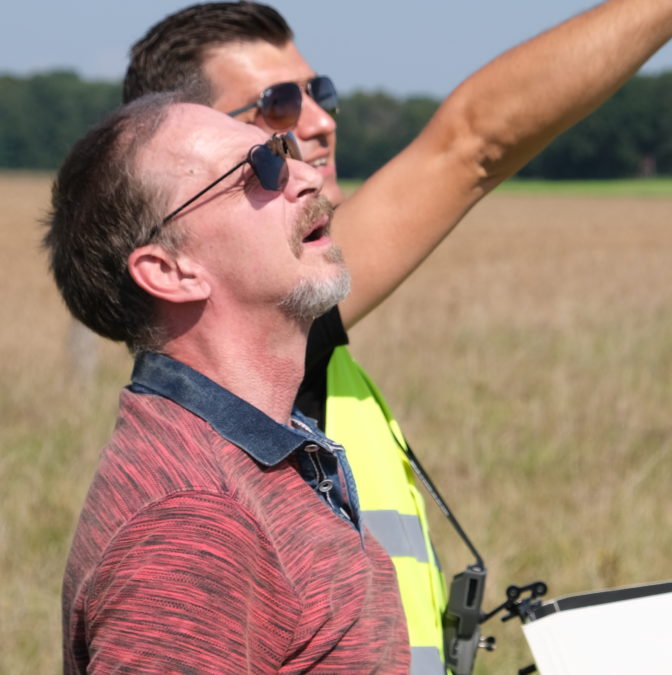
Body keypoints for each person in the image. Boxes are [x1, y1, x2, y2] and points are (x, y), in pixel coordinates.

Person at [123, 1, 672, 670]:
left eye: (320, 93)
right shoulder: (193, 483)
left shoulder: (278, 320)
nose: (320, 122)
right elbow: (473, 143)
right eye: (278, 105)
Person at [45, 95, 408, 672]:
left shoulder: (256, 456)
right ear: (170, 271)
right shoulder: (192, 525)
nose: (309, 176)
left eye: (283, 152)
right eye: (259, 169)